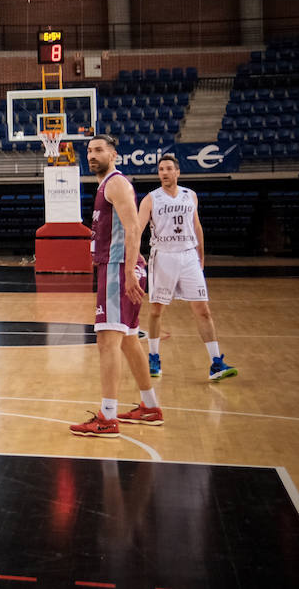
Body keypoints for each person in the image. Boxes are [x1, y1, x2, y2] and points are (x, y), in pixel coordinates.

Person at [69, 134, 164, 436]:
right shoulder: (106, 185)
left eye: (99, 150)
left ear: (114, 155)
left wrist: (129, 272)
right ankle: (150, 406)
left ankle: (107, 416)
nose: (92, 155)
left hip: (117, 269)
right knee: (128, 339)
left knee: (107, 342)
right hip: (115, 267)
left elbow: (135, 226)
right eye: (89, 150)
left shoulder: (116, 183)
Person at [134, 153, 237, 383]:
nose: (165, 172)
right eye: (161, 169)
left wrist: (201, 256)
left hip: (189, 255)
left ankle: (215, 363)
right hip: (164, 256)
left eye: (169, 168)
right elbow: (138, 228)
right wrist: (134, 256)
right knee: (157, 310)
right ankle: (154, 358)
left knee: (203, 310)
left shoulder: (191, 195)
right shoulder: (151, 199)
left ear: (177, 172)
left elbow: (196, 226)